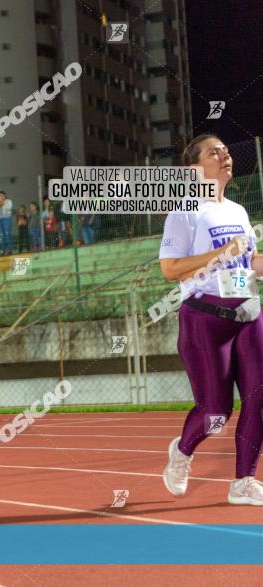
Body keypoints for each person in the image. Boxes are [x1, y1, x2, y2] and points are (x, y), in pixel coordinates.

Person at [160, 134, 263, 505]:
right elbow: (170, 269)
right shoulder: (185, 211)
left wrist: (256, 262)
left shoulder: (238, 212)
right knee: (217, 412)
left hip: (249, 313)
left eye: (227, 150)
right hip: (206, 319)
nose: (225, 155)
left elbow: (249, 261)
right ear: (194, 168)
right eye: (214, 152)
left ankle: (244, 482)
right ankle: (183, 451)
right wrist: (220, 252)